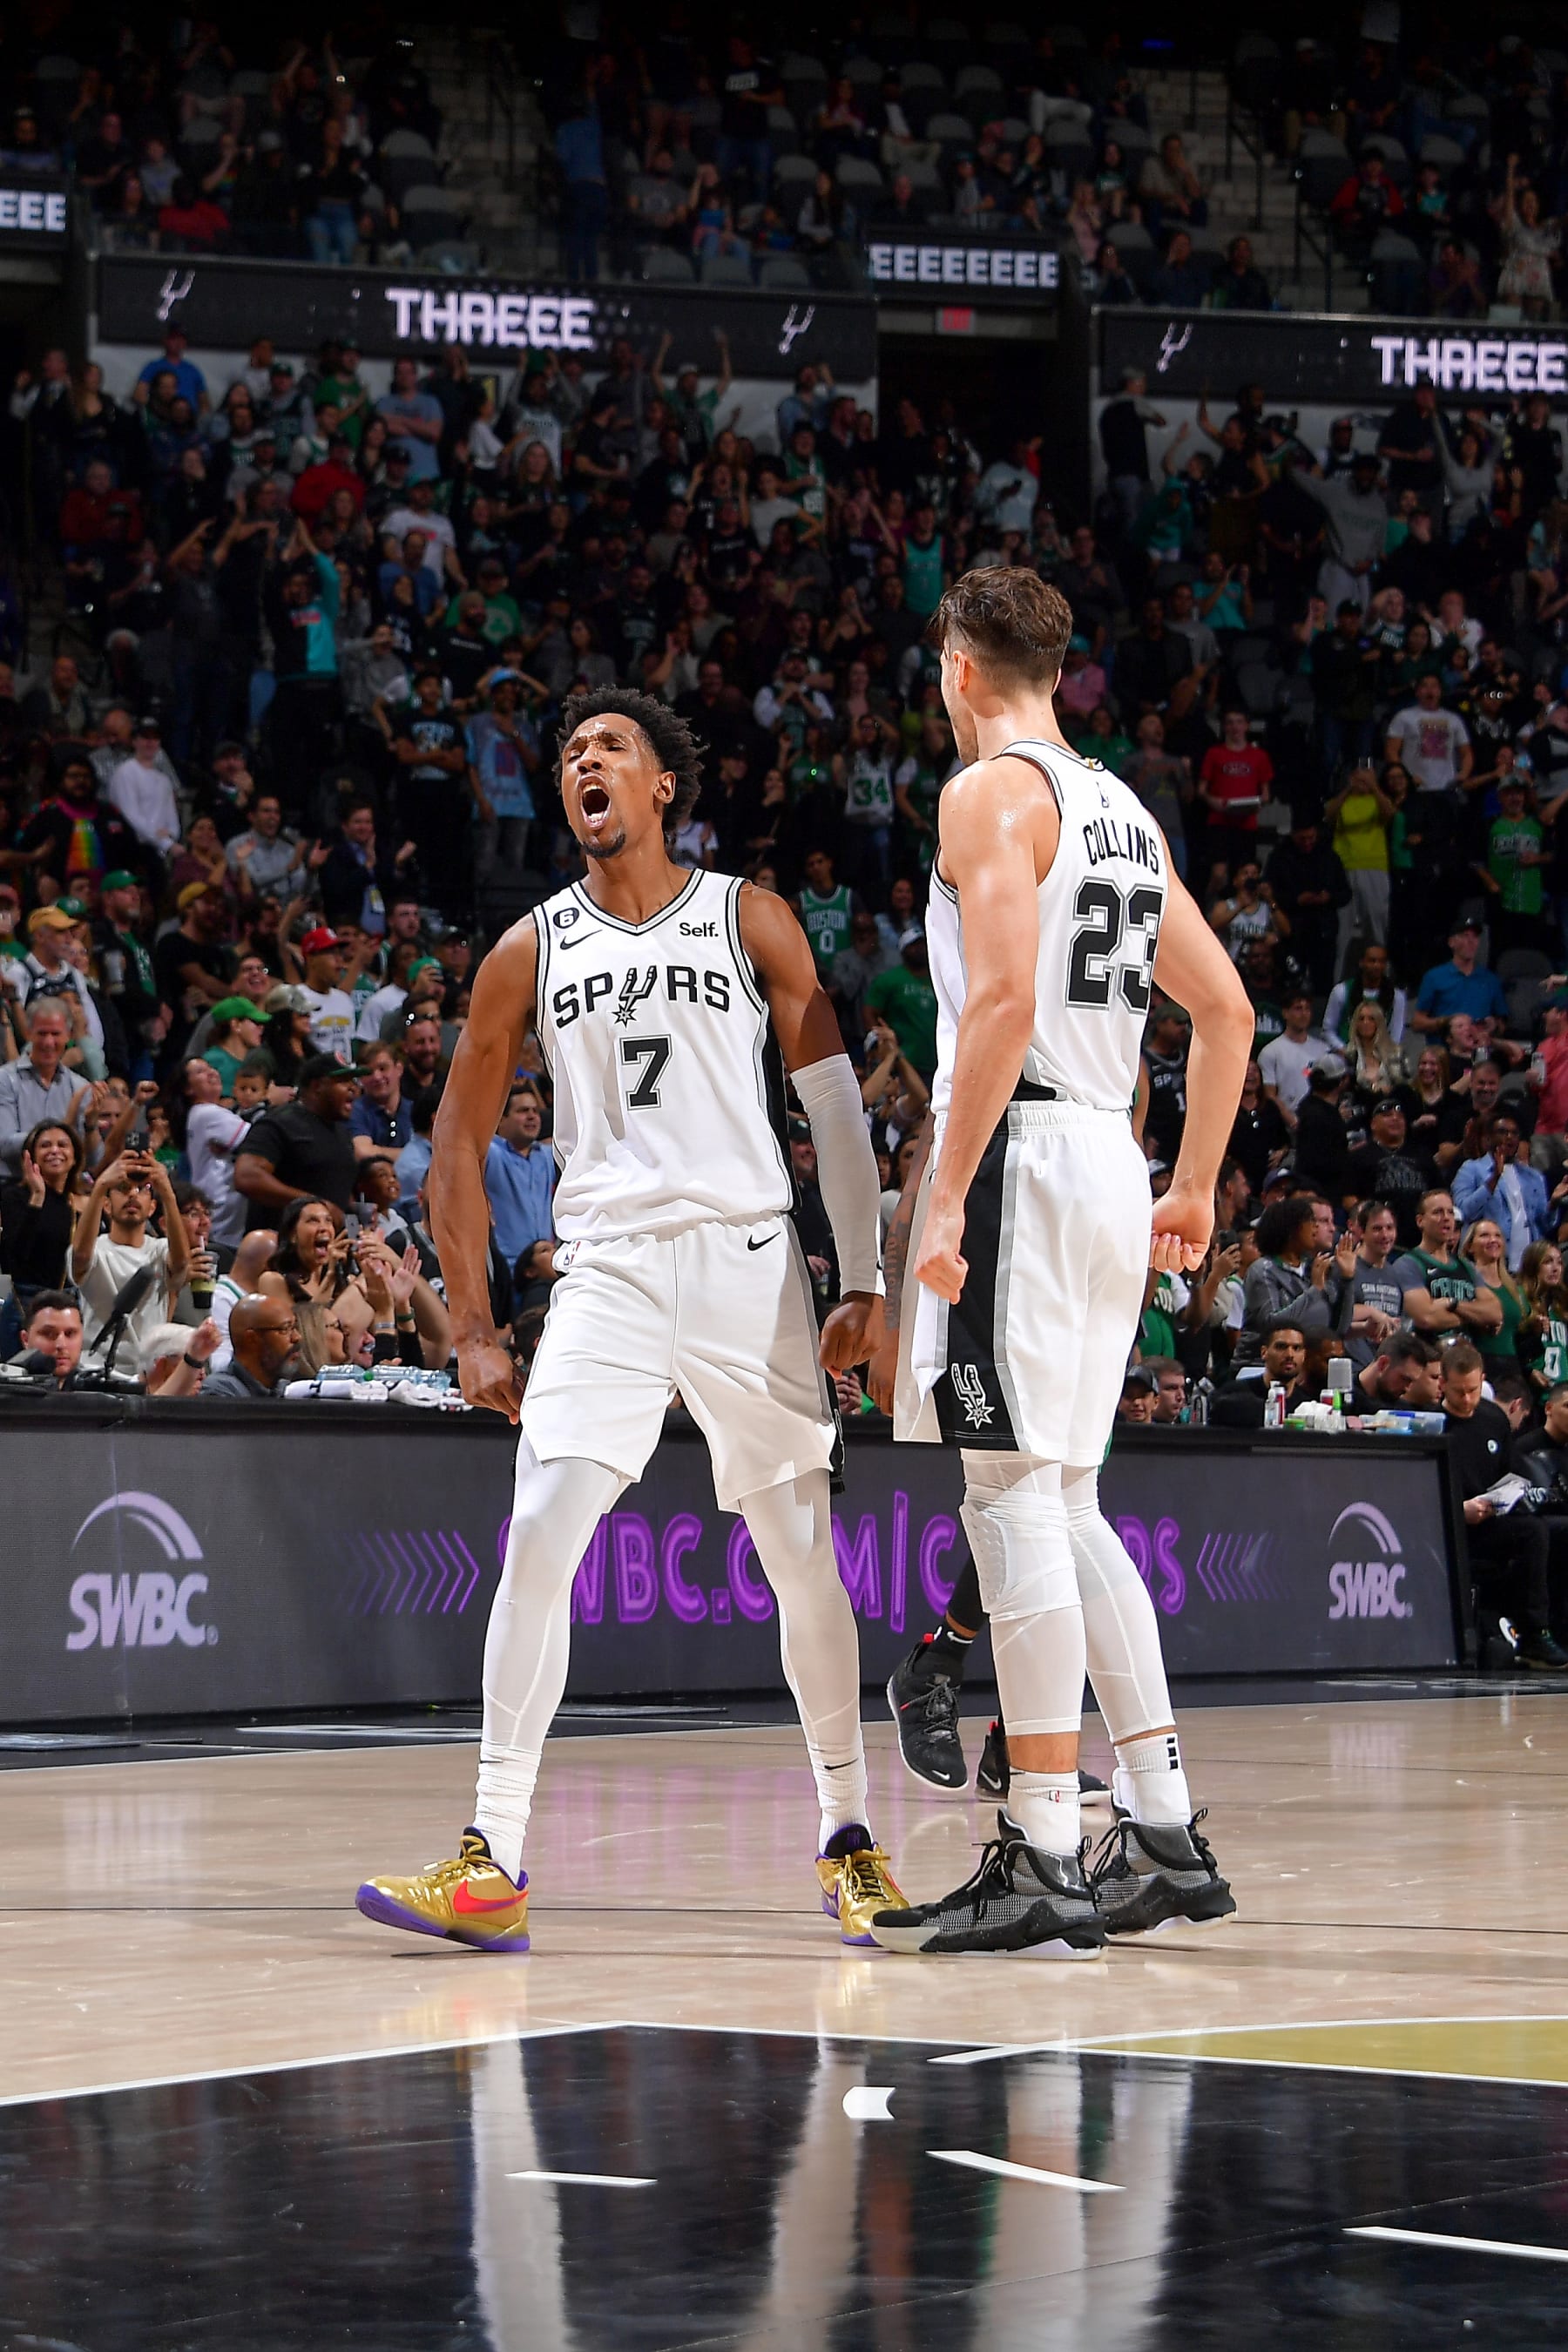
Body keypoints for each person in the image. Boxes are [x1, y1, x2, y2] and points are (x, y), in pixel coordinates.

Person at [356, 685, 907, 1955]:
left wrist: (863, 1277)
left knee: (798, 1553)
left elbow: (830, 1107)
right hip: (604, 1271)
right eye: (569, 753)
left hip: (748, 1261)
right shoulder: (527, 948)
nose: (582, 763)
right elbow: (456, 1137)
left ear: (663, 787)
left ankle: (846, 1838)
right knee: (541, 1525)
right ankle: (493, 1855)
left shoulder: (750, 916)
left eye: (609, 747)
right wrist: (474, 1324)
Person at [867, 568, 1250, 1958]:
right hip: (1108, 1160)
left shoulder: (990, 796)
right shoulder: (1127, 814)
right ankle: (1158, 1824)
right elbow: (1228, 1012)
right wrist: (1194, 1182)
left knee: (1009, 1499)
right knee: (1071, 1499)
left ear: (963, 672)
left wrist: (948, 1199)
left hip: (1024, 1159)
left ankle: (1037, 1842)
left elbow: (1007, 1000)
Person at [1443, 1342, 1568, 1668]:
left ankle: (1536, 1633)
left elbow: (1510, 1471)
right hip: (1448, 1523)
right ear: (1442, 1384)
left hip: (1488, 1519)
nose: (1467, 1399)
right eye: (1458, 1392)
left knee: (1536, 1531)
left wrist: (1509, 1496)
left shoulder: (1492, 1419)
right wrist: (1460, 1510)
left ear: (1482, 1380)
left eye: (1472, 1390)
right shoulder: (1432, 1423)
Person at [70, 1147, 192, 1370]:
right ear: (106, 1205)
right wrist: (100, 1187)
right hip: (94, 1368)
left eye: (142, 1190)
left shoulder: (161, 1249)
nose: (133, 1194)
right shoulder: (93, 1247)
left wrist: (167, 1192)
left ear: (153, 1207)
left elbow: (182, 1263)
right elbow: (80, 1257)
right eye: (123, 1188)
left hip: (149, 1370)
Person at [233, 1054, 359, 1232]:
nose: (353, 1088)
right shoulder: (280, 1122)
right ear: (317, 1087)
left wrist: (355, 1232)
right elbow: (247, 1177)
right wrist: (314, 1205)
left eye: (353, 1081)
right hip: (283, 1248)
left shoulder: (342, 1133)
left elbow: (340, 1195)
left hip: (330, 1250)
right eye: (343, 1081)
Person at [1391, 1186, 1504, 1342]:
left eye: (1450, 1212)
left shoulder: (1466, 1266)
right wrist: (1476, 1317)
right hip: (1429, 1358)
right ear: (1420, 1221)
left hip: (1467, 1359)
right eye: (1437, 1212)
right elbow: (1426, 1318)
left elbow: (1495, 1312)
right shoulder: (1408, 1264)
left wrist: (1453, 1305)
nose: (1446, 1218)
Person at [1452, 1110, 1551, 1271]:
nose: (1509, 1137)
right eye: (1503, 1132)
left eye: (1514, 1133)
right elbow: (1464, 1212)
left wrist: (1553, 1203)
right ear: (1488, 1138)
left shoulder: (1533, 1176)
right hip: (1488, 1266)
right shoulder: (1471, 1169)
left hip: (1528, 1268)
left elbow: (1545, 1224)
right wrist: (1494, 1179)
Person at [199, 1291, 304, 1399]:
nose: (297, 1337)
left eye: (294, 1327)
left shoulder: (288, 1389)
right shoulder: (221, 1392)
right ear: (252, 1339)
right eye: (285, 1329)